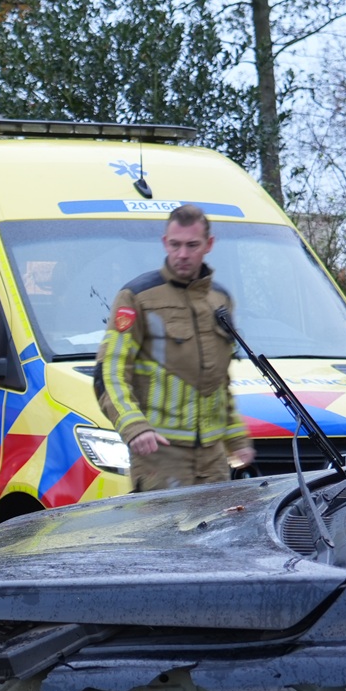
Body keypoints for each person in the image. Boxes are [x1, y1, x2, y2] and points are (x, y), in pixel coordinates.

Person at [96, 205, 257, 492]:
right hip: (160, 454)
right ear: (164, 243)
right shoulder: (138, 297)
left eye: (192, 245)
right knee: (164, 537)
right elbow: (110, 371)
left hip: (213, 459)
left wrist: (236, 440)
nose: (182, 254)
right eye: (175, 244)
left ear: (209, 245)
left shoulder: (220, 299)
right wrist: (134, 427)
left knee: (217, 536)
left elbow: (220, 382)